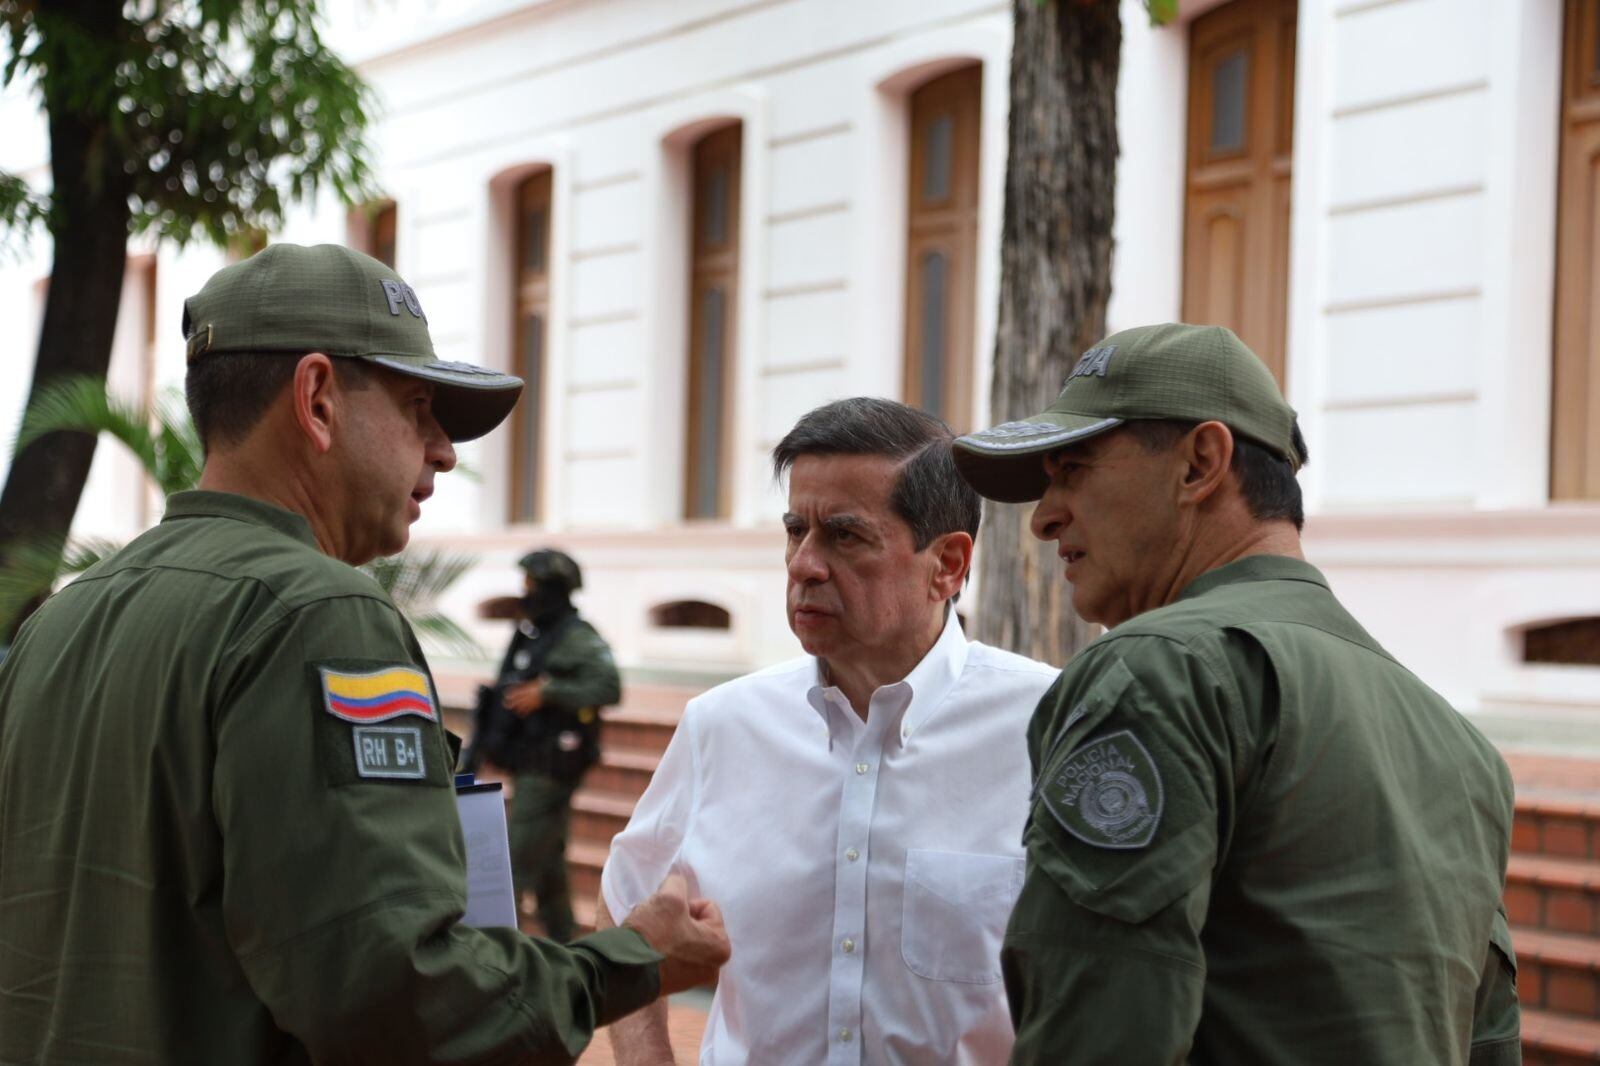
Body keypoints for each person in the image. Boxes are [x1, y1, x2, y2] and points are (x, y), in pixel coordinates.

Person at [0, 243, 728, 1064]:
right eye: (419, 407)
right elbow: (396, 995)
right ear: (317, 400)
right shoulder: (320, 615)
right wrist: (633, 961)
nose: (443, 450)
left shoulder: (61, 622)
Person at [951, 323, 1520, 1065]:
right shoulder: (1459, 744)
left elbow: (1100, 1030)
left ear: (1200, 465)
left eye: (1075, 469)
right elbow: (1490, 1041)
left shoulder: (1159, 671)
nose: (1044, 516)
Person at [598, 398, 1058, 1064]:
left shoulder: (1046, 724)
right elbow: (623, 906)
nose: (804, 565)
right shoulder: (723, 726)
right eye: (795, 530)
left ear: (950, 565)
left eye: (845, 536)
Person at [462, 547, 619, 942]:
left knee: (512, 868)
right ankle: (568, 951)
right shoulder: (530, 634)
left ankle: (494, 958)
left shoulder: (576, 637)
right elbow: (502, 694)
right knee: (549, 868)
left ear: (553, 589)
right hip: (529, 759)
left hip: (553, 765)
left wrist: (548, 692)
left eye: (531, 585)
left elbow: (609, 686)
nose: (525, 592)